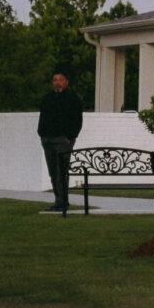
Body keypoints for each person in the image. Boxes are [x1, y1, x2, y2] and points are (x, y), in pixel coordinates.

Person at [38, 70, 85, 216]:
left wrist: (70, 137)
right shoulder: (47, 98)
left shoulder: (72, 99)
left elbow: (77, 120)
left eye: (60, 79)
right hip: (48, 140)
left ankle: (63, 201)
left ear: (66, 82)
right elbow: (42, 117)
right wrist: (41, 134)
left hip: (62, 140)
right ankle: (58, 200)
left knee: (61, 172)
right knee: (53, 172)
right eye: (54, 80)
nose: (57, 82)